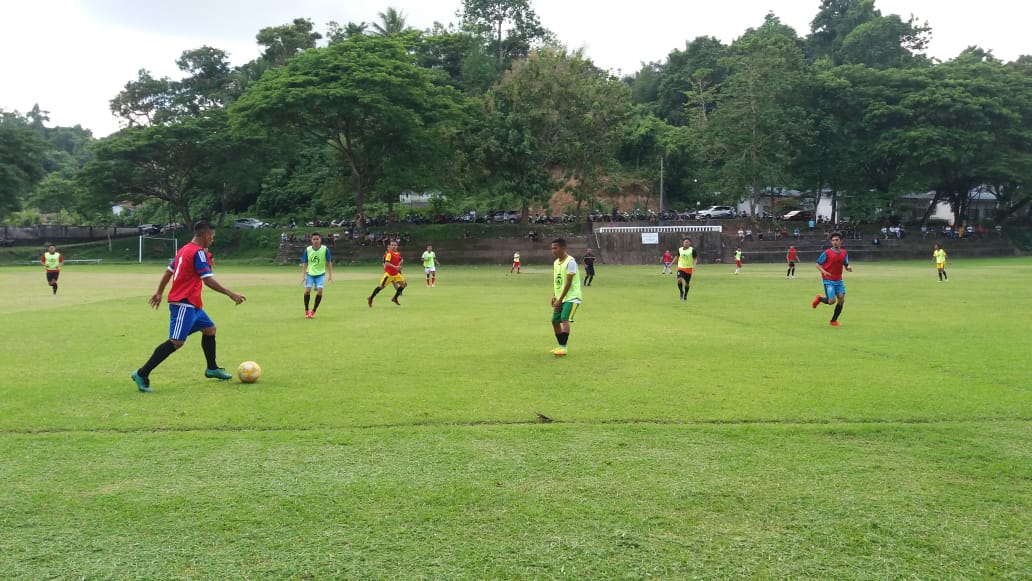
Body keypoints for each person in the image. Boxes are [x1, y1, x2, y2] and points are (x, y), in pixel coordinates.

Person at [130, 220, 246, 393]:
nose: (213, 240)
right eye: (212, 237)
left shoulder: (184, 250)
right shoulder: (198, 253)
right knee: (176, 341)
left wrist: (159, 292)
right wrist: (231, 293)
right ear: (206, 235)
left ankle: (212, 368)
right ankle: (142, 373)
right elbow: (207, 280)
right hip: (183, 302)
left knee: (210, 329)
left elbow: (168, 271)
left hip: (193, 304)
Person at [811, 231, 852, 327]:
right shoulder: (827, 253)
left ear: (841, 241)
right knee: (831, 301)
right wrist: (824, 272)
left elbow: (846, 264)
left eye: (836, 240)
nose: (835, 242)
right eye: (833, 240)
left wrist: (848, 267)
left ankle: (833, 321)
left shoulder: (844, 253)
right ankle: (819, 298)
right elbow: (817, 264)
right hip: (828, 280)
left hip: (839, 280)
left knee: (841, 299)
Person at [549, 238, 582, 357]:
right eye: (552, 248)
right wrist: (554, 295)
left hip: (572, 297)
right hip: (560, 298)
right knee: (554, 321)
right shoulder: (556, 262)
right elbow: (558, 281)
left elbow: (568, 282)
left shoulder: (570, 262)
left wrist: (560, 299)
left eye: (555, 248)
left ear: (563, 248)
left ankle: (563, 347)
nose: (553, 250)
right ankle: (560, 346)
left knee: (564, 318)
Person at [300, 232, 333, 318]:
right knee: (307, 290)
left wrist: (330, 275)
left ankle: (313, 311)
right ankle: (306, 310)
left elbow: (329, 262)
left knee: (320, 291)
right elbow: (305, 263)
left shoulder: (325, 249)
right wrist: (303, 276)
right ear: (311, 240)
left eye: (317, 239)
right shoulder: (308, 250)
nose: (315, 241)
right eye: (314, 239)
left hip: (320, 274)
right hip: (310, 274)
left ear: (320, 240)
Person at [368, 239, 406, 306]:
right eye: (392, 245)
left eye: (395, 245)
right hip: (389, 274)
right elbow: (386, 263)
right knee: (381, 287)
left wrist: (399, 265)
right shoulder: (389, 254)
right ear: (390, 246)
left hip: (396, 274)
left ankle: (395, 298)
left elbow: (400, 260)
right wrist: (396, 267)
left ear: (397, 246)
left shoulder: (398, 253)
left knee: (404, 284)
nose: (394, 246)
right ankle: (371, 297)